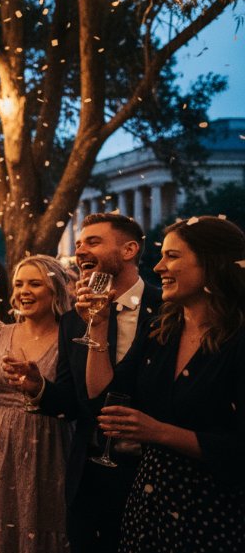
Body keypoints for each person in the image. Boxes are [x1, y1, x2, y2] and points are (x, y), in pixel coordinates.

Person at [85, 216, 245, 553]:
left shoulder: (238, 339)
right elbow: (105, 395)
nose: (158, 267)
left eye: (172, 256)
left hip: (215, 512)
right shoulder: (160, 329)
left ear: (212, 262)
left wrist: (158, 432)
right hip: (149, 501)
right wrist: (97, 328)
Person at [11, 213, 161, 553]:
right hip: (89, 475)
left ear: (129, 250)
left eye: (93, 242)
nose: (80, 251)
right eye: (79, 244)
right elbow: (73, 402)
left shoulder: (167, 309)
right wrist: (39, 388)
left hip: (150, 472)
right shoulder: (72, 322)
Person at [0, 254, 74, 553]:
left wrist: (38, 386)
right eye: (19, 284)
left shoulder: (70, 338)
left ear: (55, 291)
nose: (24, 291)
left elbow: (74, 401)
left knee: (39, 518)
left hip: (45, 445)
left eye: (35, 284)